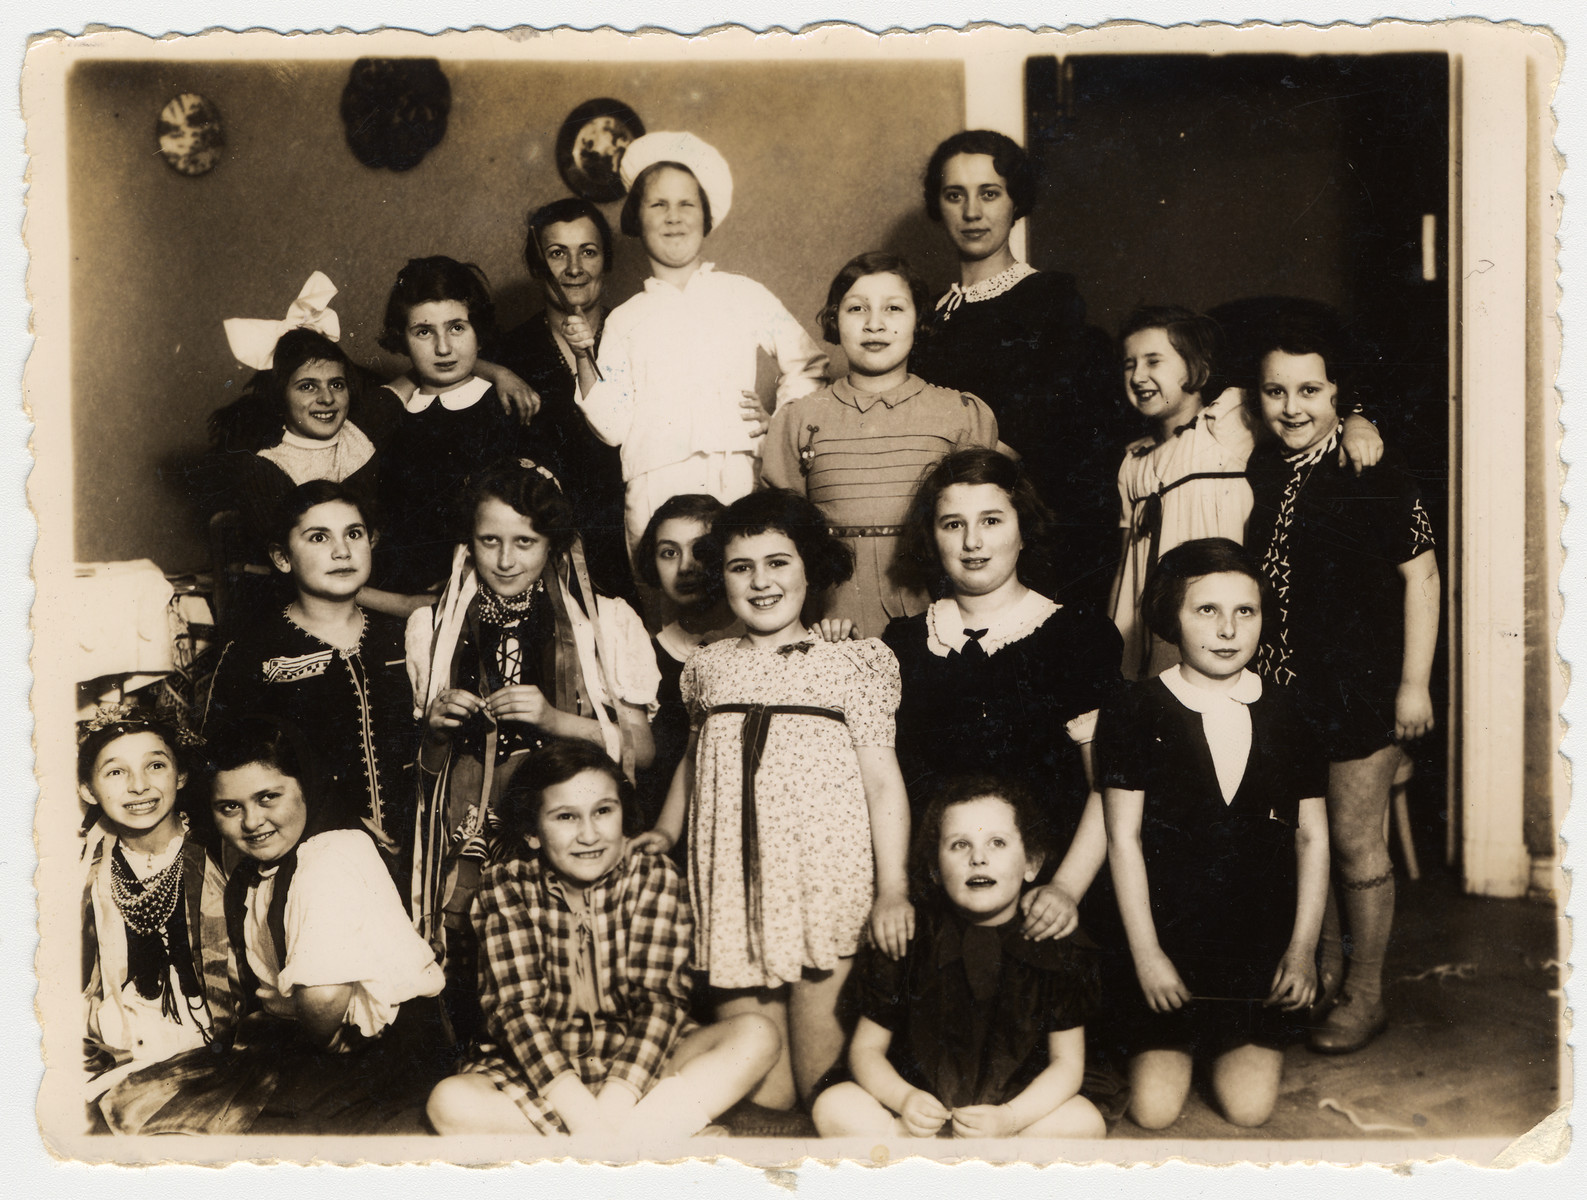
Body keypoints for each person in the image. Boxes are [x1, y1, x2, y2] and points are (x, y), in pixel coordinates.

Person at [634, 489, 914, 1110]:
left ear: (810, 566)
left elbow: (882, 781)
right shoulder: (707, 666)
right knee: (767, 1094)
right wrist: (665, 830)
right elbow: (694, 759)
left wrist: (893, 887)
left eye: (778, 562)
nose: (761, 582)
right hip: (733, 886)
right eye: (741, 567)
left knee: (821, 1091)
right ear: (721, 578)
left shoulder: (855, 662)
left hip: (825, 887)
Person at [406, 458, 659, 1044]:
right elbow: (424, 771)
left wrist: (555, 719)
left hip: (569, 815)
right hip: (467, 821)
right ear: (468, 544)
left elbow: (641, 753)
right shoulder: (434, 627)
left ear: (555, 543)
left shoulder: (607, 622)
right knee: (475, 952)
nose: (505, 559)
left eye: (526, 541)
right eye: (488, 540)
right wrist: (440, 729)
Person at [99, 717, 452, 1135]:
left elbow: (323, 997)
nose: (251, 822)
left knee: (252, 1127)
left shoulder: (328, 855)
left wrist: (321, 1041)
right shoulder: (257, 871)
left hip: (382, 1047)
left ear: (305, 787)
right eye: (230, 807)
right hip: (316, 1036)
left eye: (268, 798)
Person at [1243, 322, 1440, 1055]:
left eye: (1310, 391)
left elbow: (1421, 577)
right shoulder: (1262, 468)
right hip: (1282, 696)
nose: (1291, 407)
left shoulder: (1376, 473)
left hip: (1363, 692)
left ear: (1337, 395)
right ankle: (1321, 974)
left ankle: (1365, 993)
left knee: (1357, 843)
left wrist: (1414, 685)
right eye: (1274, 391)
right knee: (1303, 836)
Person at [425, 739, 781, 1139]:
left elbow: (659, 1004)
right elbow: (515, 1012)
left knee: (757, 1033)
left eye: (603, 812)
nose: (589, 834)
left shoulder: (652, 874)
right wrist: (586, 1119)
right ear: (532, 833)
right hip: (542, 1073)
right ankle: (655, 1144)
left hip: (644, 1066)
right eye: (565, 817)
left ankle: (598, 1154)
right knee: (449, 1103)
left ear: (622, 813)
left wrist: (607, 1114)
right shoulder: (507, 885)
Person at [1097, 538, 1330, 1129]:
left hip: (1253, 950)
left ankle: (1228, 1042)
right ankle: (1168, 1043)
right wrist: (1148, 958)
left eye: (1244, 611)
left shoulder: (1292, 710)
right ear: (1170, 616)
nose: (1228, 629)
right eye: (1206, 610)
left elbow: (1311, 838)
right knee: (1152, 1111)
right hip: (1165, 944)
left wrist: (1302, 951)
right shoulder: (1134, 709)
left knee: (1249, 1110)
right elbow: (1121, 840)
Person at [886, 448, 1121, 938]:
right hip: (936, 898)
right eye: (952, 524)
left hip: (1047, 897)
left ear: (1023, 528)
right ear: (931, 535)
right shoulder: (902, 644)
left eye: (991, 520)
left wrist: (1066, 890)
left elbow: (1109, 786)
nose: (972, 542)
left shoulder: (1076, 635)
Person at [564, 131, 828, 558]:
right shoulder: (624, 320)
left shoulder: (742, 293)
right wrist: (582, 355)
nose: (674, 217)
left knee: (740, 594)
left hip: (735, 477)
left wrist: (779, 423)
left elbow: (808, 362)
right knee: (670, 609)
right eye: (658, 204)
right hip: (654, 485)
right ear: (636, 219)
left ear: (706, 217)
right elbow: (611, 427)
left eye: (686, 204)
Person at [812, 777, 1105, 1139]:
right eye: (959, 844)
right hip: (920, 1114)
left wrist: (1011, 1118)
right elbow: (866, 1050)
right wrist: (904, 1100)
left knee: (1083, 1121)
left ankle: (986, 1161)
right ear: (935, 869)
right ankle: (920, 1155)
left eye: (997, 843)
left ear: (1031, 863)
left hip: (1013, 1115)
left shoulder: (1056, 945)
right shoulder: (910, 936)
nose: (977, 857)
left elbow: (1068, 1065)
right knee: (835, 1104)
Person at [1107, 306, 1383, 680]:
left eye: (1153, 361)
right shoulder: (1132, 459)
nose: (1139, 375)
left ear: (1196, 366)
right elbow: (1126, 564)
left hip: (1213, 614)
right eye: (1129, 364)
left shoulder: (1228, 418)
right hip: (1142, 625)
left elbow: (1304, 406)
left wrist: (1358, 422)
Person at [908, 130, 1123, 606]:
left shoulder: (1049, 301)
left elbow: (1060, 439)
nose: (971, 213)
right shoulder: (927, 316)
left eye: (989, 193)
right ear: (937, 205)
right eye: (954, 195)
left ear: (1016, 201)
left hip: (1028, 544)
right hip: (948, 539)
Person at [762, 252, 999, 639]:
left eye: (893, 308)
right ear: (835, 320)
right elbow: (779, 537)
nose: (875, 324)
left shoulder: (959, 413)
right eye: (857, 309)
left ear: (919, 321)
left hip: (937, 610)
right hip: (833, 619)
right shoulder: (799, 418)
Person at [202, 481, 420, 894]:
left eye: (354, 534)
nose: (342, 551)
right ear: (282, 558)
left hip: (415, 853)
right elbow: (222, 770)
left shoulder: (405, 639)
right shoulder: (254, 652)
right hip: (309, 862)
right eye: (318, 537)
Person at [78, 705, 234, 1111]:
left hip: (217, 1037)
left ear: (180, 775)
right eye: (115, 772)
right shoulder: (90, 869)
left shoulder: (219, 851)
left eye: (156, 766)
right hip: (126, 1039)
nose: (138, 786)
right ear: (87, 790)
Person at [489, 197, 633, 602]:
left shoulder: (638, 334)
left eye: (588, 251)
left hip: (631, 541)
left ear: (605, 260)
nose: (574, 268)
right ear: (537, 265)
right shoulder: (508, 353)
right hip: (544, 554)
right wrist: (493, 370)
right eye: (557, 254)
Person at [375, 256, 533, 595]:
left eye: (457, 328)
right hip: (401, 585)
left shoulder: (505, 404)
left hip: (489, 585)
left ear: (479, 331)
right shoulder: (391, 411)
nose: (443, 348)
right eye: (423, 332)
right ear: (402, 338)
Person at [631, 494, 738, 843]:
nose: (686, 567)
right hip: (664, 836)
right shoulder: (644, 655)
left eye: (700, 551)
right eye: (669, 552)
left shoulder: (758, 645)